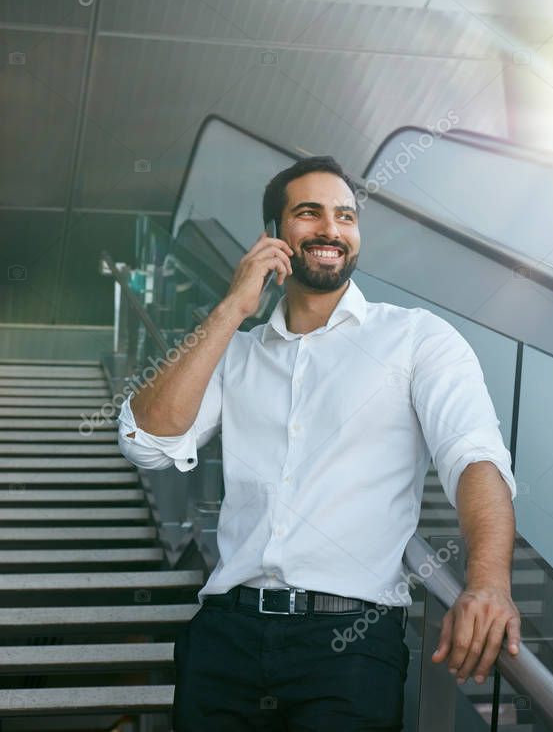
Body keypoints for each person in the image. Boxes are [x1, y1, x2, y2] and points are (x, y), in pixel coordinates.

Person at [118, 155, 521, 730]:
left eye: (346, 216)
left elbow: (474, 457)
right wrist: (234, 308)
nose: (331, 230)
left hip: (349, 647)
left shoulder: (416, 339)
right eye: (309, 213)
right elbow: (146, 442)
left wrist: (488, 583)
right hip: (224, 636)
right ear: (273, 236)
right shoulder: (237, 354)